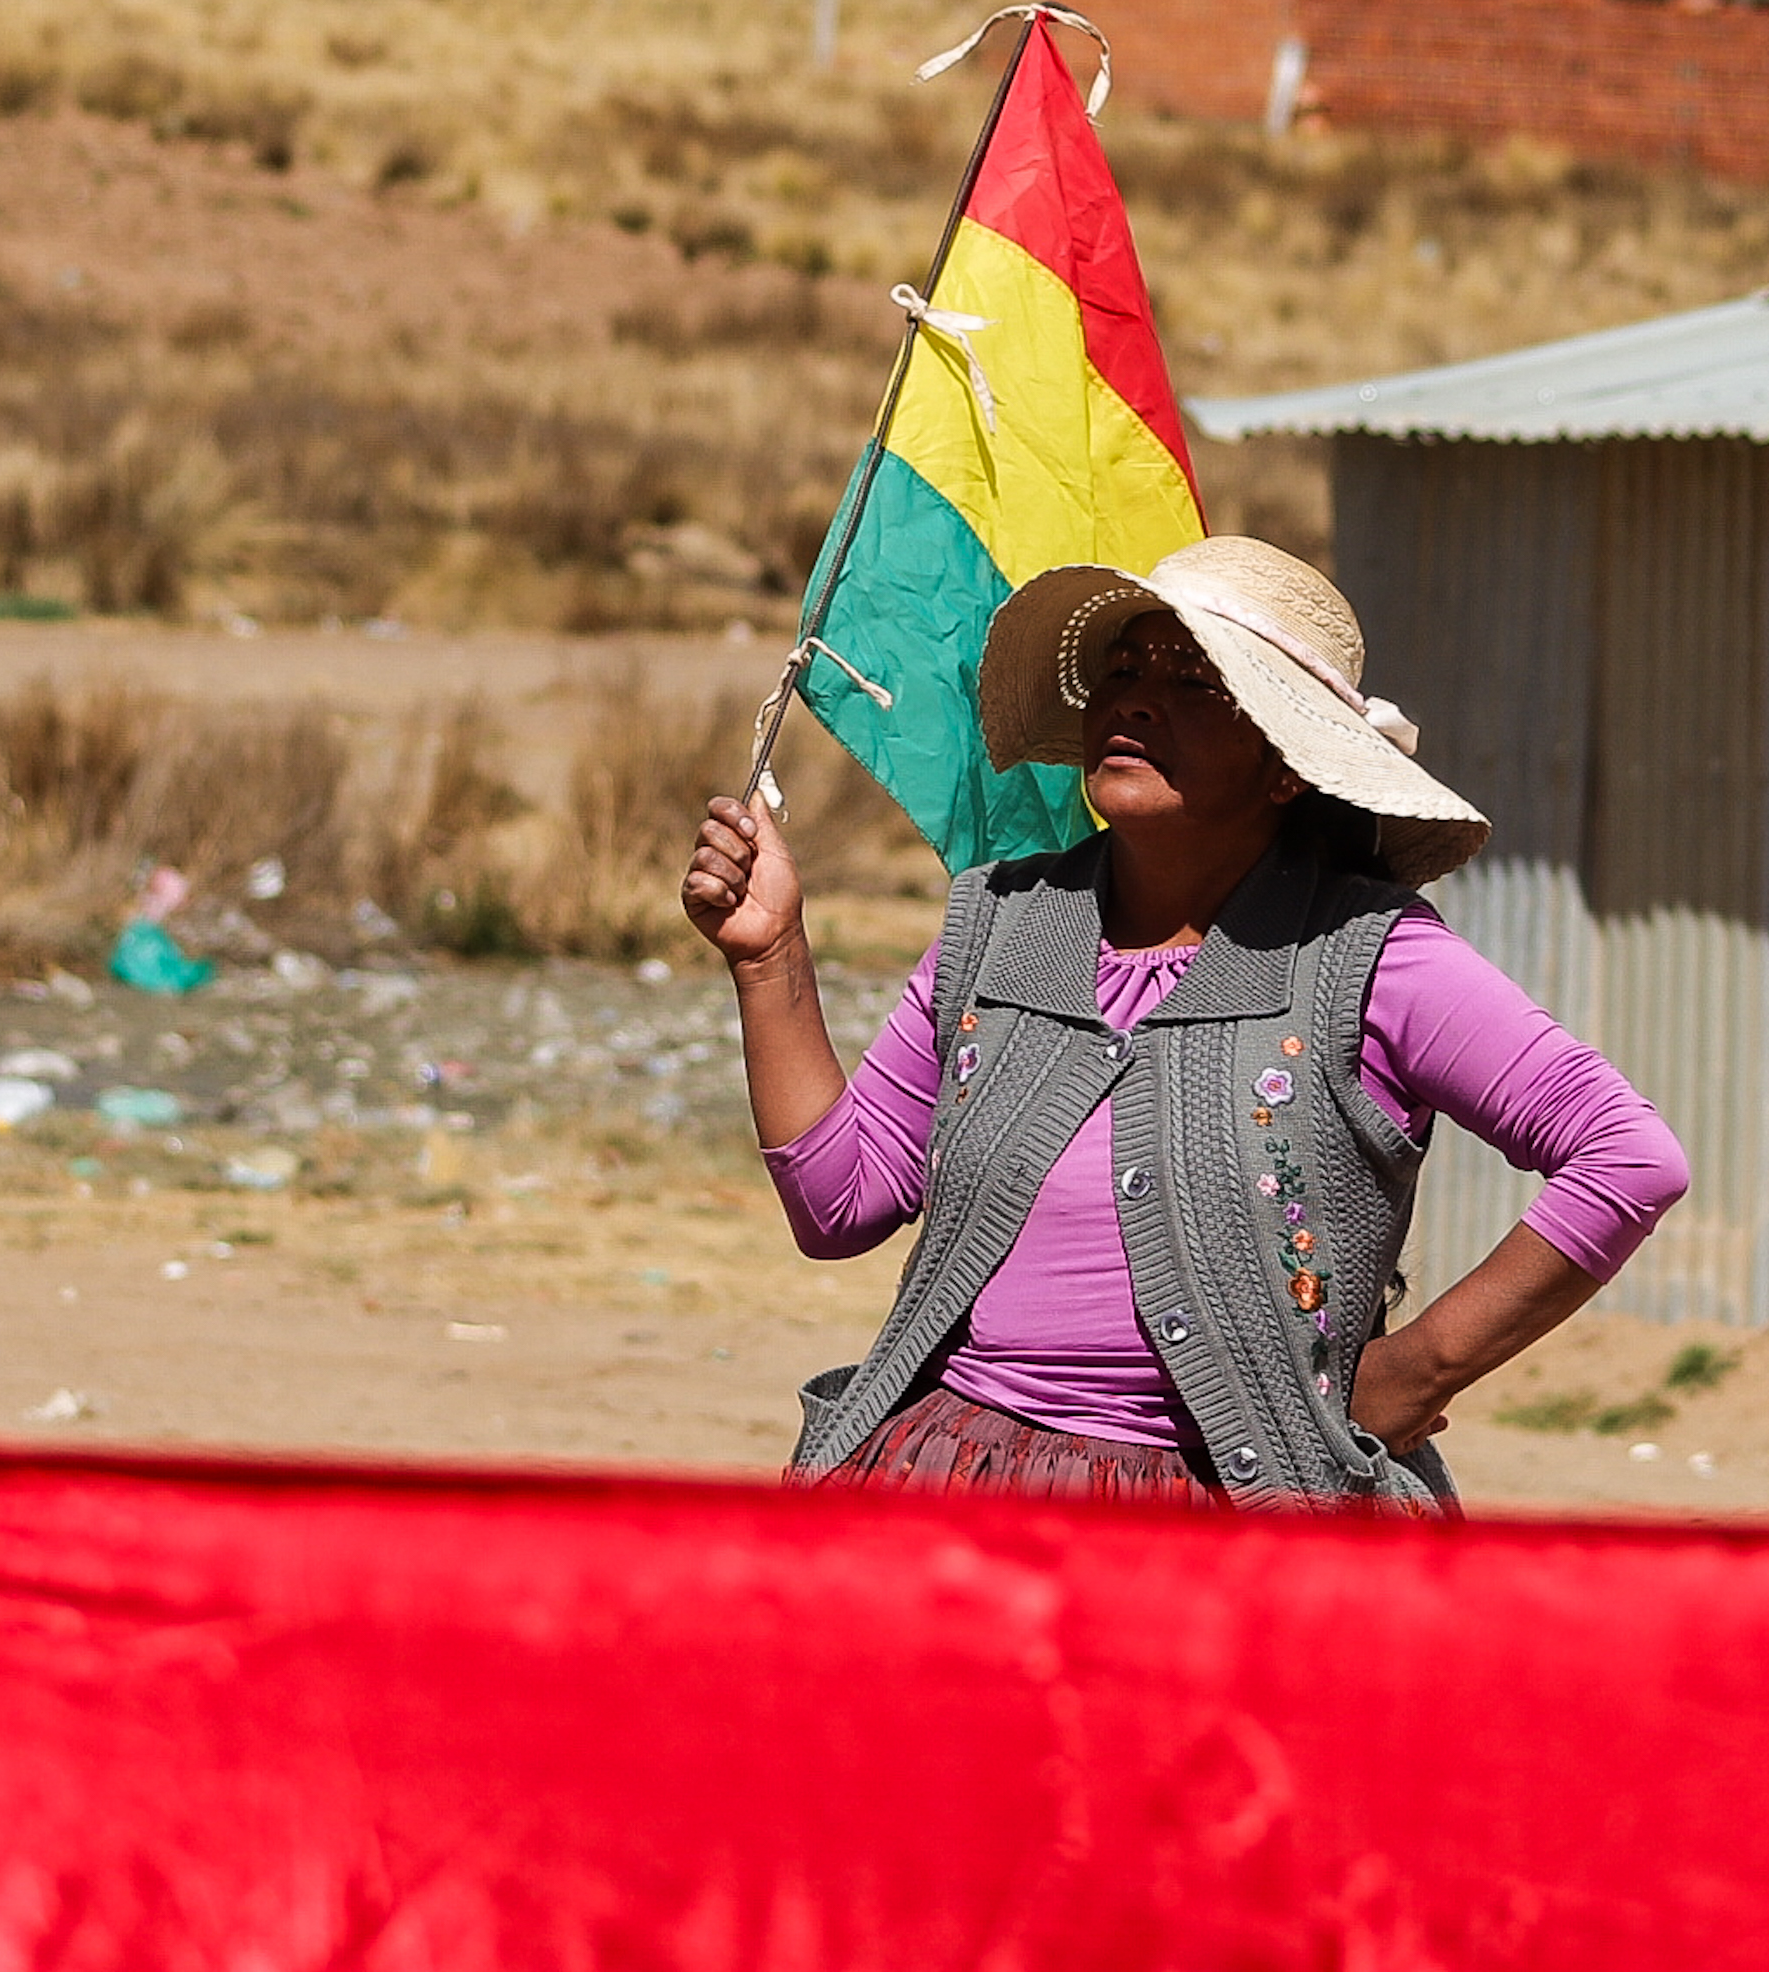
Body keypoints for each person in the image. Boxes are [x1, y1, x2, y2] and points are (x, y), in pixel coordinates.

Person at [682, 536, 1684, 1506]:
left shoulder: (1364, 958)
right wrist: (770, 959)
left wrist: (1417, 1369)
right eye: (1121, 669)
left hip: (1223, 1522)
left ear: (1285, 763)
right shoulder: (998, 925)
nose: (1133, 698)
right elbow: (839, 1207)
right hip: (953, 1487)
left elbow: (1626, 1157)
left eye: (1196, 681)